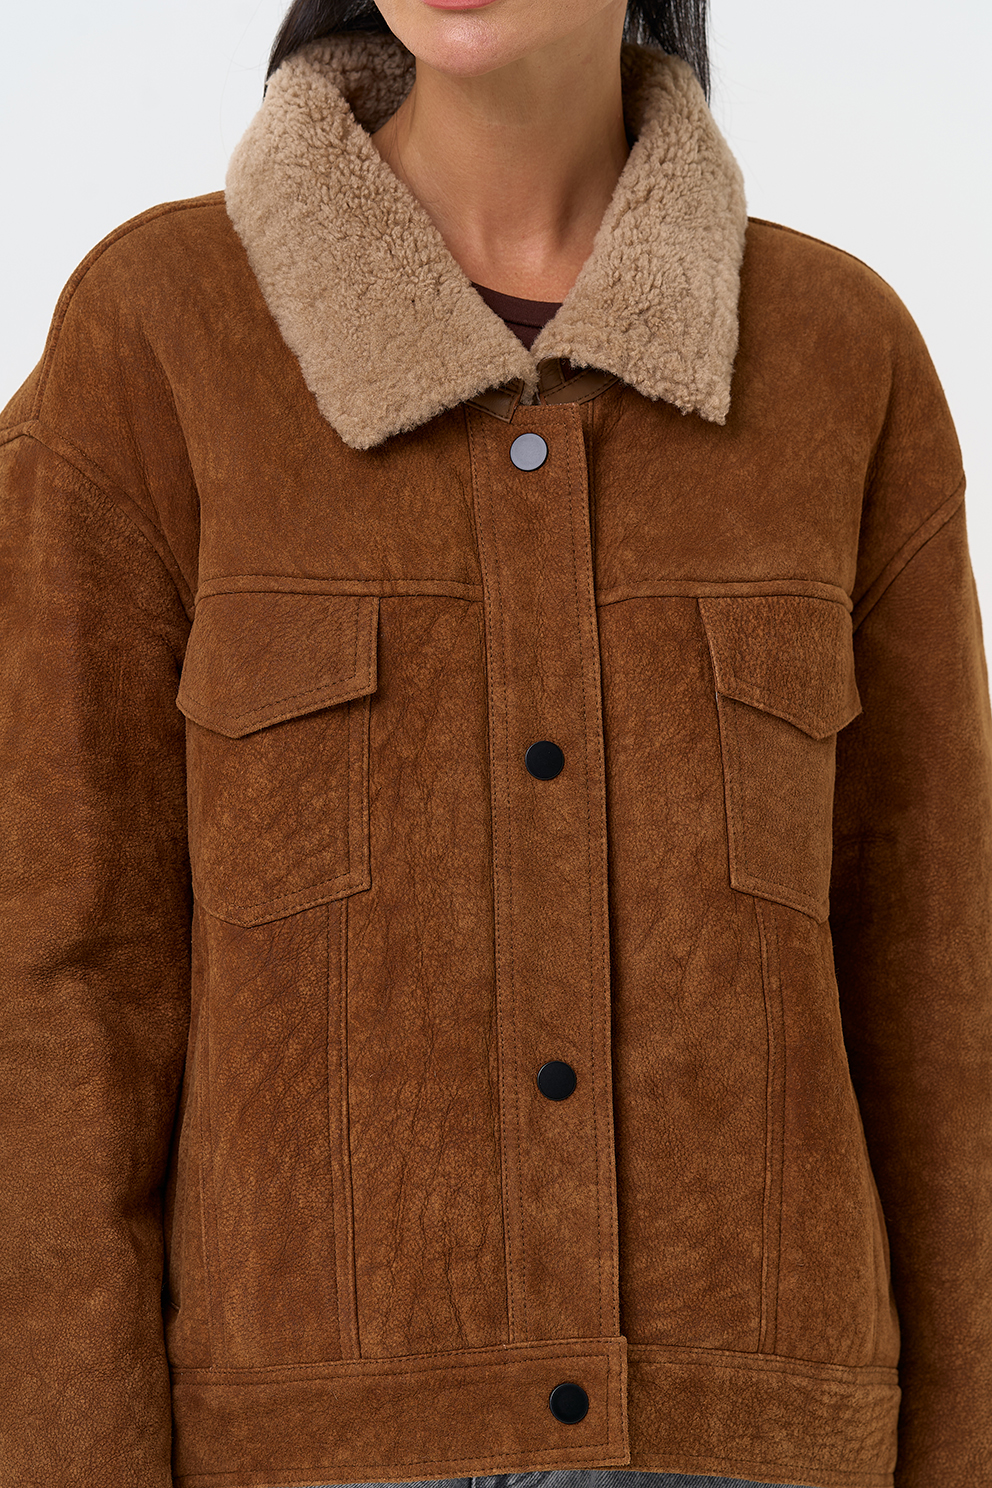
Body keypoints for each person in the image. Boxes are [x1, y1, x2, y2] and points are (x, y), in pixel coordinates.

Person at [0, 0, 989, 1486]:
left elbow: (944, 1002)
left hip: (755, 1451)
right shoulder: (161, 336)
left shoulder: (842, 357)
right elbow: (50, 992)